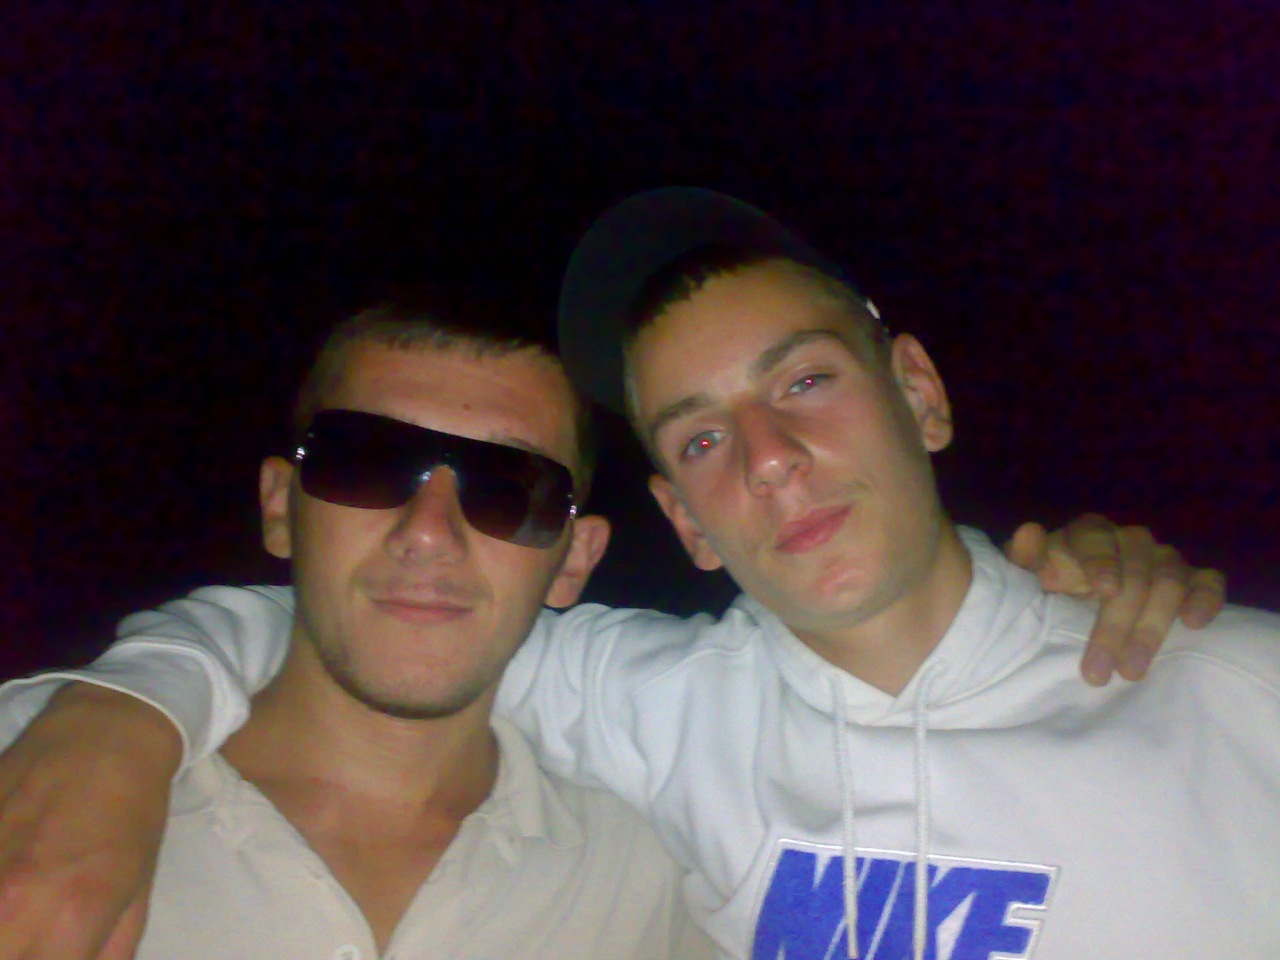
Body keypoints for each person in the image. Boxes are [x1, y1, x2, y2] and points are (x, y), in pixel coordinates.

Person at [0, 190, 1252, 960]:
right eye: (699, 438)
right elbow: (341, 628)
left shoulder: (1234, 696)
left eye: (804, 380)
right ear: (679, 520)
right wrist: (113, 722)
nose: (768, 458)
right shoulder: (658, 709)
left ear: (917, 392)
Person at [0, 293, 715, 959]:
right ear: (279, 506)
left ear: (574, 560)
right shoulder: (34, 818)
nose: (428, 532)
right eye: (368, 463)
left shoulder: (656, 883)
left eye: (510, 490)